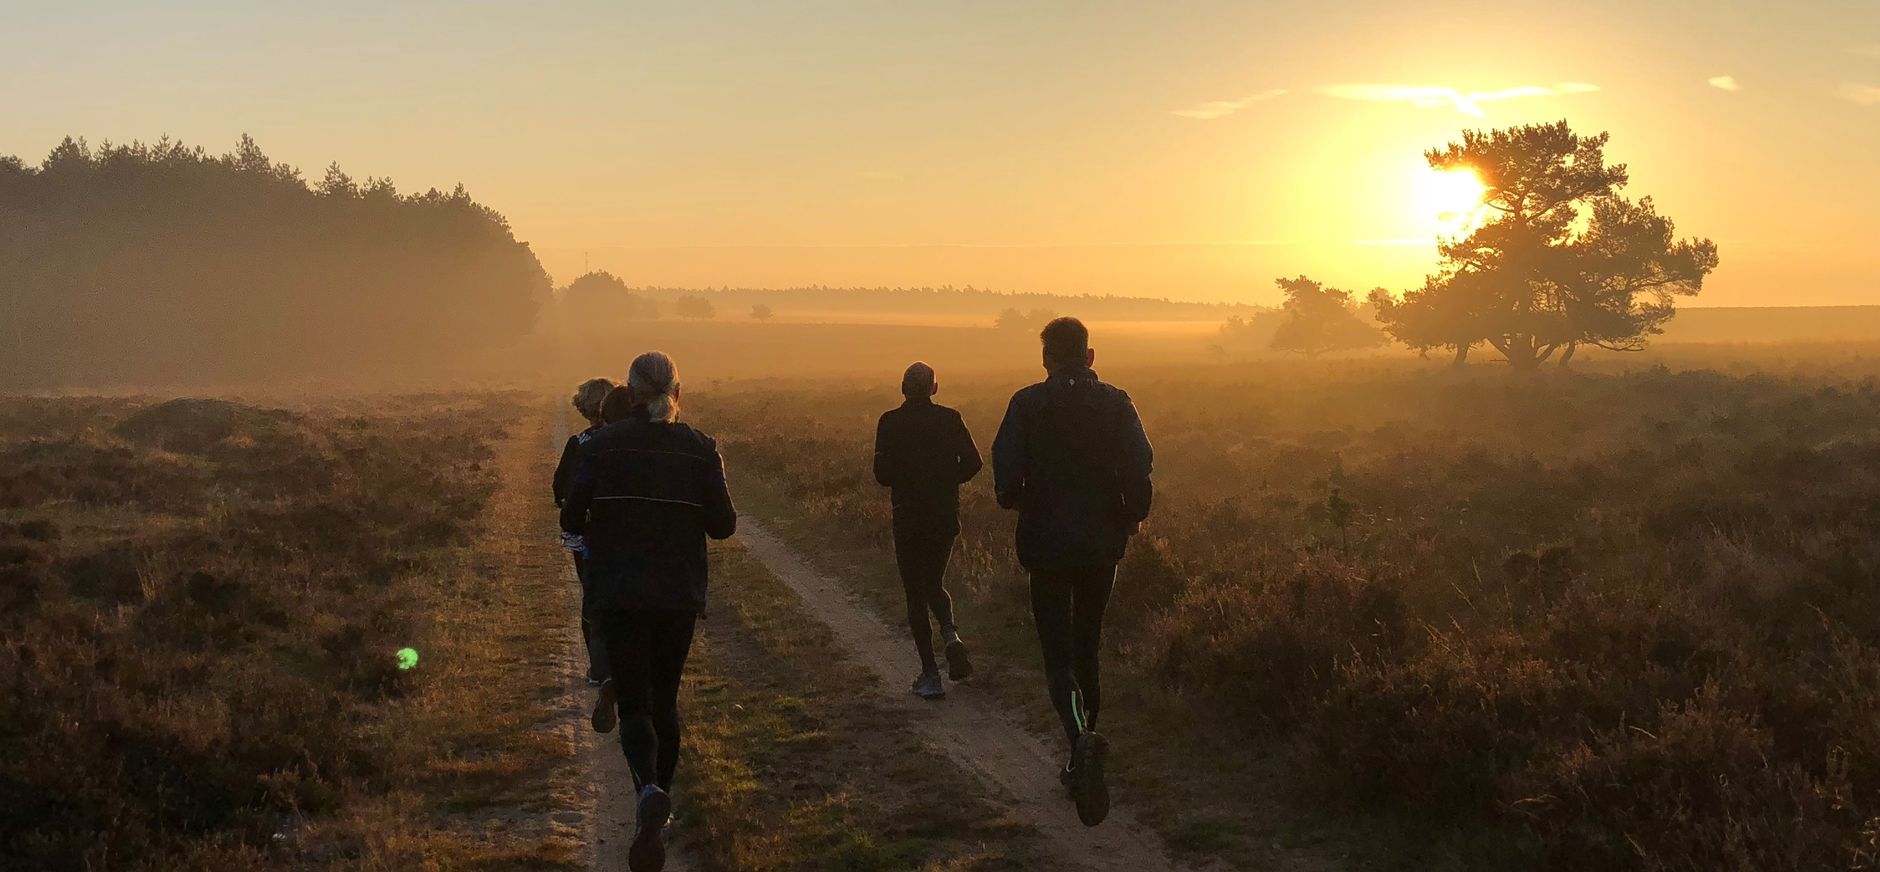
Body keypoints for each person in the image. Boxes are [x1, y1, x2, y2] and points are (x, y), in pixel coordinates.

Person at [561, 351, 736, 872]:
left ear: (630, 394)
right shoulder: (702, 449)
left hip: (619, 591)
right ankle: (658, 812)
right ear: (677, 392)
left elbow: (571, 513)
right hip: (677, 594)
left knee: (634, 703)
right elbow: (724, 525)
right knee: (667, 700)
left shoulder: (597, 445)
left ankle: (648, 793)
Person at [991, 317, 1152, 828]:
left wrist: (1017, 500)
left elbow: (1005, 470)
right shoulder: (1117, 401)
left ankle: (1078, 740)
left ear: (1046, 359)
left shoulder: (1027, 403)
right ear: (1089, 356)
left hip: (1045, 541)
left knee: (1056, 652)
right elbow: (1140, 463)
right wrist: (1130, 516)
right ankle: (1084, 746)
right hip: (1102, 542)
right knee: (1088, 644)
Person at [873, 361, 982, 700]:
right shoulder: (951, 419)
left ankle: (930, 673)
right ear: (935, 388)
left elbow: (881, 474)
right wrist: (947, 480)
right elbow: (975, 463)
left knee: (915, 594)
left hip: (908, 516)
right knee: (934, 582)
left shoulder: (889, 422)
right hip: (943, 514)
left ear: (902, 388)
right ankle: (950, 635)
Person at [554, 377, 616, 695]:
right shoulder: (625, 445)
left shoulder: (577, 444)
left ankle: (599, 667)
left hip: (586, 537)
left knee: (592, 598)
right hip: (621, 533)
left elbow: (559, 489)